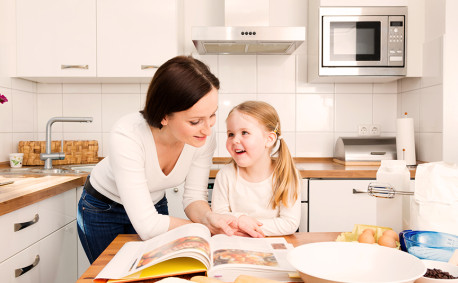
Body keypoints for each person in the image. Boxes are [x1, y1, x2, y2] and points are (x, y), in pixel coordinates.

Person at [77, 56, 257, 264]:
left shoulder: (203, 137)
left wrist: (211, 218)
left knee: (157, 272)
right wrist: (204, 229)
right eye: (195, 121)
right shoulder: (127, 134)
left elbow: (193, 198)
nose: (208, 129)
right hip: (102, 209)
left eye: (212, 115)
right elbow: (147, 226)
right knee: (112, 273)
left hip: (153, 207)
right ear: (164, 116)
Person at [211, 101, 301, 237]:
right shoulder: (225, 175)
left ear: (269, 139)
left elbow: (289, 223)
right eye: (231, 134)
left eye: (244, 132)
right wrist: (240, 219)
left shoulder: (286, 175)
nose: (235, 140)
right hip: (235, 246)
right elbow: (219, 216)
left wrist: (245, 226)